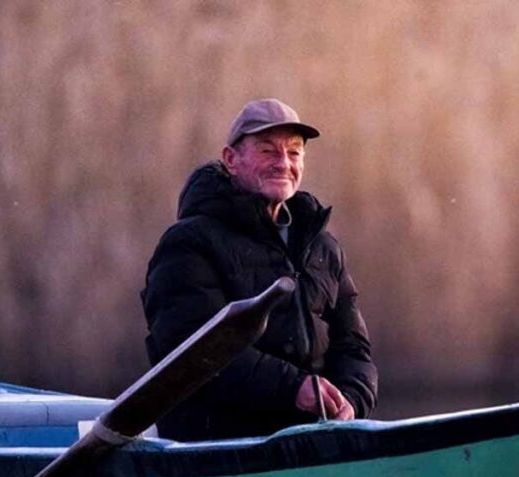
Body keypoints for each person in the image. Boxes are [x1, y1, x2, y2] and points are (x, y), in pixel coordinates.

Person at [142, 98, 377, 441]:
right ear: (231, 160)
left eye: (294, 152)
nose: (283, 163)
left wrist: (350, 403)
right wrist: (294, 389)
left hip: (316, 446)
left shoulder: (323, 247)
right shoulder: (188, 243)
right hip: (219, 452)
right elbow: (193, 352)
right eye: (268, 151)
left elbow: (354, 348)